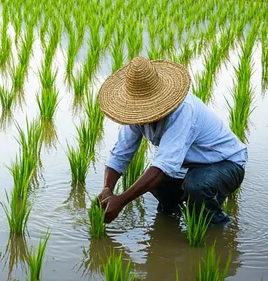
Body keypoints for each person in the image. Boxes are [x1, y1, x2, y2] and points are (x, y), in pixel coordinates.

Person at [96, 56, 247, 225]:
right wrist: (107, 189)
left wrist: (121, 201)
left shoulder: (182, 110)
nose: (140, 112)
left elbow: (163, 166)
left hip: (225, 163)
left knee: (196, 186)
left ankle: (217, 229)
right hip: (189, 166)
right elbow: (120, 154)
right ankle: (170, 224)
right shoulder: (134, 115)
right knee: (156, 184)